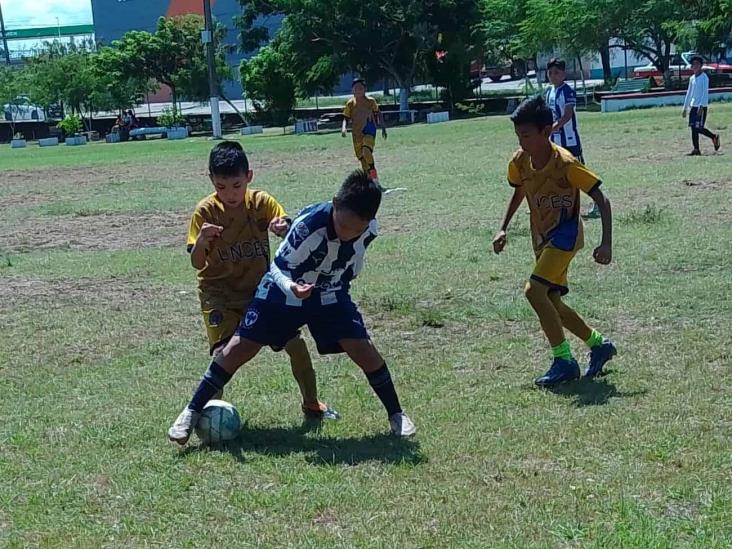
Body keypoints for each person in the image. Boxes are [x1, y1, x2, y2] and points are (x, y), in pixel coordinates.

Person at [169, 169, 416, 446]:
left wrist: (343, 277)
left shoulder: (369, 230)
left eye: (355, 230)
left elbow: (353, 260)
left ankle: (396, 414)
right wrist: (293, 289)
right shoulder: (308, 226)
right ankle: (190, 412)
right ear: (335, 203)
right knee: (237, 347)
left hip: (329, 293)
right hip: (282, 289)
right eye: (343, 226)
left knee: (363, 349)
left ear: (369, 222)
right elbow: (276, 267)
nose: (347, 234)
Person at [186, 141, 337, 425]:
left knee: (296, 345)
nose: (229, 194)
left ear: (249, 177)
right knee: (222, 355)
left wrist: (282, 226)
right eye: (221, 186)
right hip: (219, 295)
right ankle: (202, 419)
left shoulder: (260, 203)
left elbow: (284, 224)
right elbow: (196, 263)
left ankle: (312, 404)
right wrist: (203, 241)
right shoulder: (204, 213)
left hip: (261, 293)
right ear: (210, 181)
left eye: (236, 185)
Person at [492, 96, 617, 386]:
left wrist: (606, 242)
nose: (522, 142)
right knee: (551, 302)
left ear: (546, 131)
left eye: (527, 135)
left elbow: (602, 199)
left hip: (566, 235)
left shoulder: (566, 164)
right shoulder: (520, 162)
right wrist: (502, 228)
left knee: (533, 291)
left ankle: (564, 361)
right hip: (542, 237)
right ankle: (599, 344)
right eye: (518, 136)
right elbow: (519, 191)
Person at [545, 58, 598, 219]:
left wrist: (554, 127)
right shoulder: (549, 91)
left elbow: (567, 115)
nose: (553, 76)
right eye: (550, 73)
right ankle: (556, 205)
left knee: (580, 172)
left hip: (570, 141)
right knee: (555, 173)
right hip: (555, 142)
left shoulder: (568, 91)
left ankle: (598, 202)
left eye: (556, 73)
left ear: (563, 74)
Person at [341, 79, 394, 193]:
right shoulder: (350, 104)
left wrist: (383, 127)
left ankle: (375, 181)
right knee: (364, 162)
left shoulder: (371, 101)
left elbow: (378, 112)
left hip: (369, 130)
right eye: (356, 88)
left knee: (367, 152)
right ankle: (373, 184)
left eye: (360, 87)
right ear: (352, 90)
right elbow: (345, 118)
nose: (358, 90)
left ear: (365, 89)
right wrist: (344, 128)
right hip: (356, 135)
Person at [682, 56, 721, 156]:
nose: (695, 66)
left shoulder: (704, 77)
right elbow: (689, 93)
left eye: (697, 64)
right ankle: (696, 149)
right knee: (693, 128)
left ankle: (714, 137)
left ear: (701, 65)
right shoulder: (692, 79)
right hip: (693, 106)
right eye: (693, 64)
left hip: (701, 106)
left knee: (699, 127)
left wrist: (701, 106)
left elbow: (704, 93)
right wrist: (685, 108)